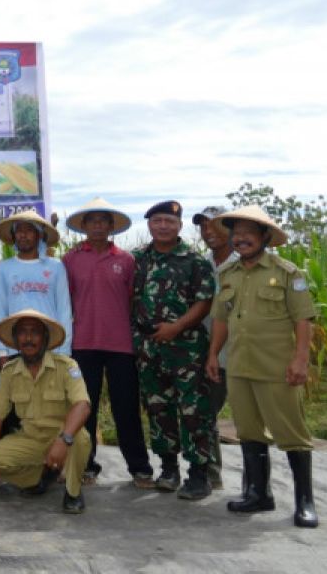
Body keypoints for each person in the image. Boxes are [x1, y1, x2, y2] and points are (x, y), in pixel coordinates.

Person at [207, 206, 318, 528]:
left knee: (291, 433)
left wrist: (300, 360)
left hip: (277, 368)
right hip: (240, 366)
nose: (241, 239)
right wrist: (214, 355)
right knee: (249, 431)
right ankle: (259, 494)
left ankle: (305, 502)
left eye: (249, 233)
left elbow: (303, 319)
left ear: (265, 237)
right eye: (236, 233)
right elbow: (220, 319)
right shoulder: (227, 275)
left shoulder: (287, 273)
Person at [62, 197, 154, 488]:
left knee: (125, 408)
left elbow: (133, 301)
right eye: (93, 221)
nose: (99, 226)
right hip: (83, 344)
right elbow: (66, 301)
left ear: (112, 226)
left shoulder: (127, 261)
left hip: (121, 346)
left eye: (104, 221)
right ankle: (87, 465)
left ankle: (139, 467)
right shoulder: (72, 259)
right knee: (83, 406)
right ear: (85, 226)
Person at [131, 200, 216, 500]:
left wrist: (176, 327)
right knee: (157, 409)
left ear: (179, 226)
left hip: (186, 348)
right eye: (157, 221)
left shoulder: (194, 260)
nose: (163, 226)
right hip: (148, 348)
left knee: (193, 411)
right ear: (149, 225)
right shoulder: (137, 259)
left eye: (169, 221)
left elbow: (204, 301)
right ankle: (168, 468)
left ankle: (198, 474)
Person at [0, 310, 92, 514]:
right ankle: (44, 475)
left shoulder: (66, 366)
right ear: (15, 339)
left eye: (35, 332)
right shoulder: (9, 371)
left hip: (64, 437)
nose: (28, 338)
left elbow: (82, 405)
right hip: (30, 438)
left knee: (81, 439)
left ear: (45, 338)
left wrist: (63, 439)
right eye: (22, 332)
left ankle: (73, 491)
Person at [194, 205, 236, 489]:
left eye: (216, 225)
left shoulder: (250, 260)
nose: (209, 232)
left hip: (248, 354)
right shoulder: (201, 265)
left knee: (255, 422)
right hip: (213, 355)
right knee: (205, 413)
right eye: (203, 226)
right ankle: (211, 473)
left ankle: (259, 486)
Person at [0, 210, 72, 357]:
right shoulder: (4, 268)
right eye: (19, 230)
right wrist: (2, 351)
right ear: (14, 235)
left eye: (29, 230)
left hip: (51, 346)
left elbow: (64, 310)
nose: (23, 235)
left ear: (39, 234)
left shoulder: (56, 267)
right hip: (15, 347)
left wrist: (64, 350)